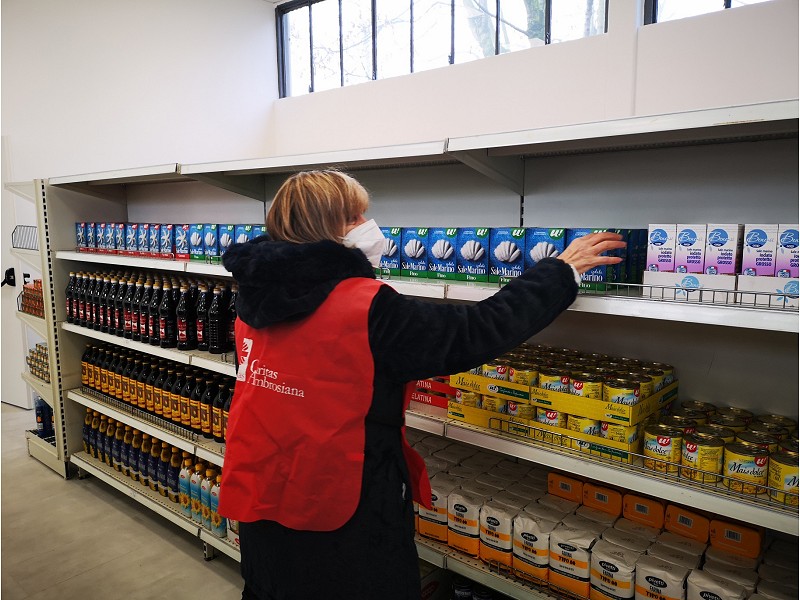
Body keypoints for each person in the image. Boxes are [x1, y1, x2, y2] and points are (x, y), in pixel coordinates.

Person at [219, 170, 624, 600]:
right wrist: (560, 272)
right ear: (326, 227)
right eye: (355, 216)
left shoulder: (253, 296)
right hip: (340, 505)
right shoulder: (365, 306)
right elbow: (475, 331)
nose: (368, 225)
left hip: (263, 486)